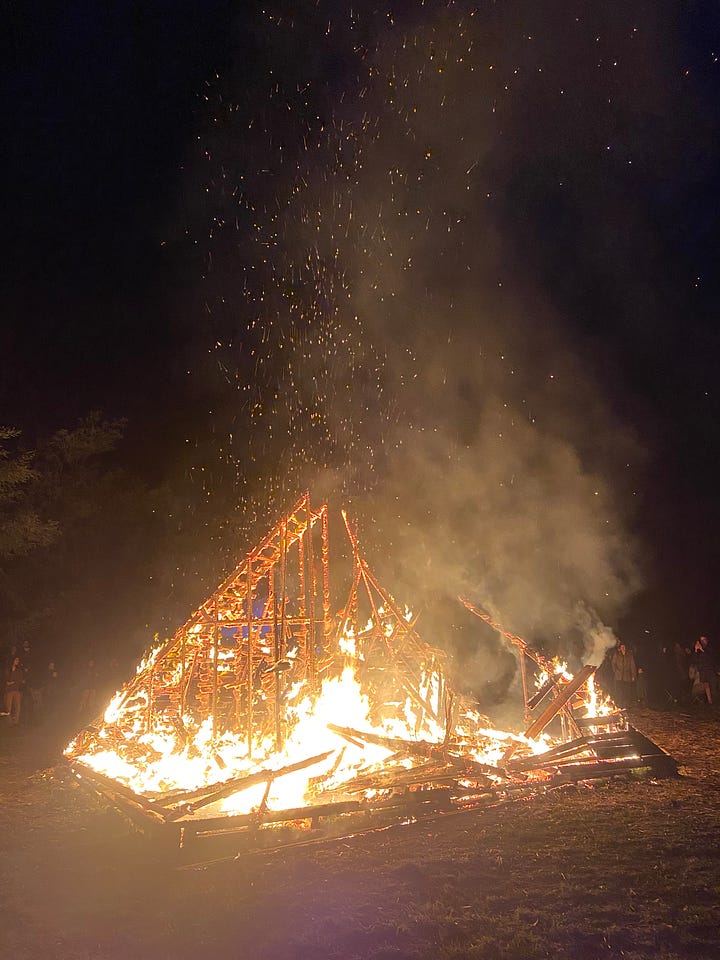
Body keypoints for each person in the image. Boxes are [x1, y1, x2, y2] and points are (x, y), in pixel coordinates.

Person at [611, 642, 638, 707]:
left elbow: (632, 665)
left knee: (627, 691)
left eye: (624, 647)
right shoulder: (616, 654)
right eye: (622, 647)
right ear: (620, 648)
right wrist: (616, 671)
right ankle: (619, 704)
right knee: (619, 691)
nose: (623, 648)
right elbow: (613, 663)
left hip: (627, 676)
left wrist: (633, 675)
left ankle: (626, 705)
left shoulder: (629, 655)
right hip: (619, 676)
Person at [691, 636, 714, 705]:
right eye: (701, 640)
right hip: (702, 670)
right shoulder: (699, 650)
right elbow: (695, 660)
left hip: (710, 669)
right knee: (706, 685)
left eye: (704, 639)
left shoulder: (709, 648)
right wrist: (695, 650)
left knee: (712, 685)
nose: (702, 641)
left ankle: (714, 699)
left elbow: (710, 657)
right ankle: (710, 701)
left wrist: (701, 649)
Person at [4, 656, 26, 725]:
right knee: (8, 707)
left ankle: (16, 722)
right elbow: (6, 679)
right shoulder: (8, 670)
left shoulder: (19, 670)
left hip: (17, 690)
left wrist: (14, 682)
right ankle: (9, 722)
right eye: (16, 660)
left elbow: (20, 679)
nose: (17, 661)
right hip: (9, 691)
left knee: (17, 706)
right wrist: (7, 682)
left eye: (18, 660)